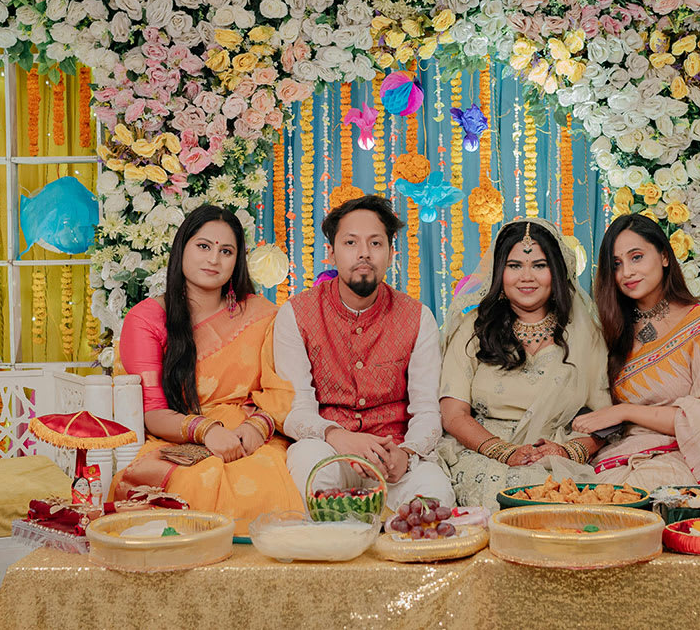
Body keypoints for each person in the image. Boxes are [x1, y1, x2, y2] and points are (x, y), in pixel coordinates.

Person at [110, 205, 302, 533]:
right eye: (203, 246)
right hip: (180, 439)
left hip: (253, 437)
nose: (214, 259)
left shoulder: (262, 314)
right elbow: (153, 413)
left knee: (268, 477)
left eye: (226, 251)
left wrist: (258, 427)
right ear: (181, 248)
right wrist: (207, 431)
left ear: (237, 261)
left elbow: (282, 387)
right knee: (193, 484)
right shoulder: (147, 319)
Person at [275, 195, 455, 509]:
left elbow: (427, 410)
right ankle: (338, 536)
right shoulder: (296, 314)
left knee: (436, 494)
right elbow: (295, 409)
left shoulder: (417, 317)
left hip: (392, 454)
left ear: (391, 253)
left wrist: (407, 454)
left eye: (375, 243)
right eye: (350, 243)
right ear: (330, 253)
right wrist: (338, 436)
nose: (364, 253)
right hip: (329, 448)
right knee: (311, 472)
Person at [571, 214, 700, 490]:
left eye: (636, 257)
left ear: (665, 257)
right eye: (617, 264)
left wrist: (625, 412)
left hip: (683, 457)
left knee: (634, 493)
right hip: (618, 455)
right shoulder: (615, 331)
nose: (627, 272)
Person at [438, 218, 612, 509]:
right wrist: (504, 452)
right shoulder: (474, 329)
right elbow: (453, 413)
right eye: (515, 265)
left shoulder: (584, 334)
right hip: (480, 451)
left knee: (559, 508)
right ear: (499, 272)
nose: (526, 277)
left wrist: (567, 452)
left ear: (556, 272)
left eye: (539, 265)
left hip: (555, 454)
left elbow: (604, 420)